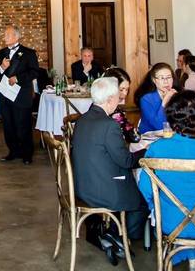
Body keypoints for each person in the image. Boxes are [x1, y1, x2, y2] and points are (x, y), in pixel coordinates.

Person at [137, 91, 195, 269]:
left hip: (169, 223)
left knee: (174, 201)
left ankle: (184, 253)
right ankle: (193, 258)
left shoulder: (157, 148)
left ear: (171, 118)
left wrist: (153, 210)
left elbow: (145, 191)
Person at [71, 77, 148, 264]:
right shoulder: (109, 125)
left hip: (82, 186)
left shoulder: (83, 119)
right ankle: (116, 236)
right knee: (143, 204)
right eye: (117, 97)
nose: (120, 100)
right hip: (103, 191)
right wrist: (147, 153)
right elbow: (126, 160)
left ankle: (109, 234)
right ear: (109, 99)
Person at [0, 24, 41, 164]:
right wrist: (2, 67)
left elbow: (34, 71)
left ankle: (27, 154)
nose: (5, 37)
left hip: (21, 95)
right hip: (5, 95)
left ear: (16, 36)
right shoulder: (1, 53)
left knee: (23, 125)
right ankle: (13, 151)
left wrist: (18, 78)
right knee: (8, 125)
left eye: (7, 35)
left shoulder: (28, 53)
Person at [135, 62, 176, 133]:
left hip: (172, 136)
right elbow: (159, 126)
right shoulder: (146, 99)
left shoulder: (177, 95)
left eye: (169, 77)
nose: (166, 81)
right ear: (154, 80)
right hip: (150, 137)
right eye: (162, 78)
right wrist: (165, 102)